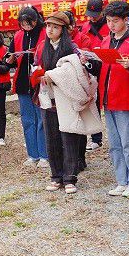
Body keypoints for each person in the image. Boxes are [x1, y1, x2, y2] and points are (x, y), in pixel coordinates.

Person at [85, 1, 129, 197]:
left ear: (126, 20)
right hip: (108, 99)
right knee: (115, 144)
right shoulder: (107, 41)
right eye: (108, 21)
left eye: (115, 21)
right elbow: (102, 70)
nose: (111, 25)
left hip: (126, 99)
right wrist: (90, 63)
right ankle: (121, 181)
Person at [37, 11, 97, 194]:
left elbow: (76, 72)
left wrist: (54, 75)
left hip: (66, 97)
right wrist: (40, 75)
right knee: (52, 138)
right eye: (48, 26)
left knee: (69, 136)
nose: (50, 30)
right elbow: (37, 66)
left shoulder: (72, 48)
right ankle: (56, 176)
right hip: (48, 97)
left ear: (63, 30)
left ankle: (70, 177)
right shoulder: (41, 47)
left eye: (55, 27)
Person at [5, 6, 49, 169]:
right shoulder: (17, 36)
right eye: (23, 24)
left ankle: (45, 154)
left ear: (36, 21)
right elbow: (9, 57)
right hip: (23, 82)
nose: (27, 26)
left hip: (40, 82)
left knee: (41, 119)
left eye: (29, 23)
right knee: (28, 120)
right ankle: (33, 154)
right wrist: (9, 60)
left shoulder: (46, 33)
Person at [78, 0, 108, 150]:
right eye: (90, 14)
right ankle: (95, 137)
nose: (92, 17)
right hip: (89, 67)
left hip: (106, 66)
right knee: (92, 103)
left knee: (106, 101)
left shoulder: (109, 25)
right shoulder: (85, 27)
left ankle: (101, 134)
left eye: (95, 14)